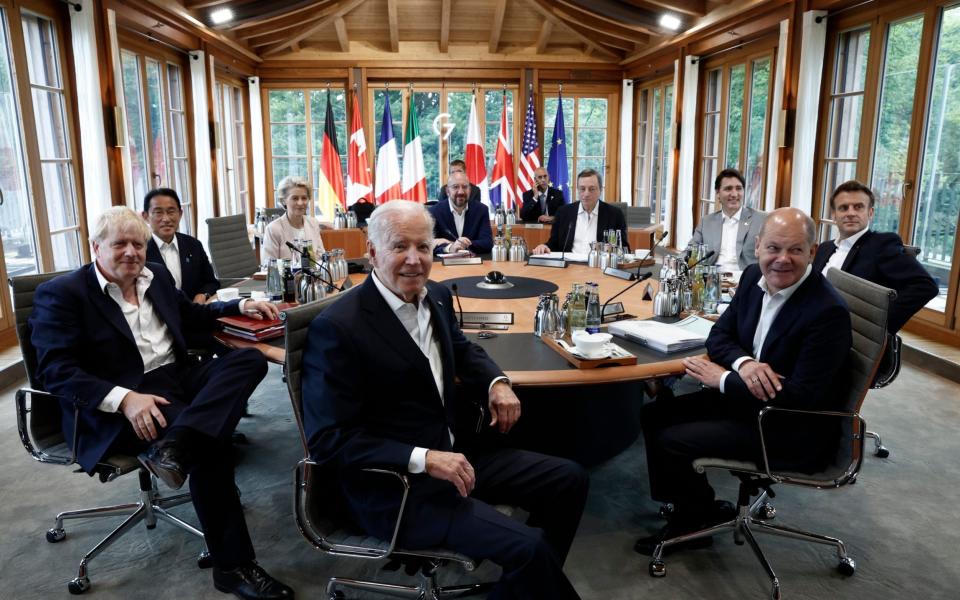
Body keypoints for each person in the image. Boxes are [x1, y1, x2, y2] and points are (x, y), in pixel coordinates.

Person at [301, 201, 588, 600]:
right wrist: (425, 458)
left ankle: (524, 587)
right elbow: (329, 440)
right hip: (398, 487)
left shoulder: (433, 295)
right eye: (400, 247)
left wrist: (496, 383)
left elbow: (461, 348)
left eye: (424, 247)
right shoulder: (339, 329)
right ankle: (532, 577)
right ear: (372, 253)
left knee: (569, 479)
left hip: (458, 455)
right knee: (531, 548)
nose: (415, 261)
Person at [29, 207, 293, 600]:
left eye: (138, 243)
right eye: (119, 244)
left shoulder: (155, 275)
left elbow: (192, 315)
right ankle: (233, 568)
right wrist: (125, 399)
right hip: (121, 397)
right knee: (212, 448)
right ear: (95, 247)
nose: (131, 252)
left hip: (177, 379)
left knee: (249, 359)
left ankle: (176, 445)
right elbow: (56, 370)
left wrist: (237, 306)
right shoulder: (64, 294)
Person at [635, 207, 852, 555]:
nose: (782, 259)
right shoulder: (753, 277)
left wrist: (723, 378)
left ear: (812, 252)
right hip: (750, 402)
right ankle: (695, 505)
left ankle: (693, 523)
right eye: (773, 248)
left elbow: (800, 397)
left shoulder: (827, 312)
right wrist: (745, 362)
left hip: (787, 425)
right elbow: (719, 336)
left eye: (795, 250)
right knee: (654, 414)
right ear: (759, 247)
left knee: (674, 439)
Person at [813, 180, 938, 333]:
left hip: (845, 336)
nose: (851, 213)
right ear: (834, 215)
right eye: (843, 208)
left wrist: (879, 325)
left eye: (858, 207)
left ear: (870, 213)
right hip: (813, 325)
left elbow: (925, 286)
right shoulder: (825, 248)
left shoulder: (881, 245)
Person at [142, 188, 219, 304]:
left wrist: (203, 294)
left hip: (195, 315)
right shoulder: (140, 251)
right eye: (158, 212)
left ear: (180, 214)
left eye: (171, 211)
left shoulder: (193, 245)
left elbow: (211, 282)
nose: (166, 219)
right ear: (146, 216)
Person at [687, 168, 766, 275]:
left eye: (738, 188)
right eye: (728, 189)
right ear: (718, 193)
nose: (734, 194)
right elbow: (691, 251)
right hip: (712, 279)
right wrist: (674, 263)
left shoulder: (762, 220)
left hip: (747, 279)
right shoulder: (706, 222)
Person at [532, 169, 629, 255]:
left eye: (591, 189)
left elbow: (624, 249)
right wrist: (544, 246)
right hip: (569, 268)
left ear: (600, 190)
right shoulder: (563, 213)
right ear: (577, 190)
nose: (586, 194)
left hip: (599, 268)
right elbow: (554, 243)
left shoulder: (615, 215)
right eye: (582, 189)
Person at [429, 170, 494, 255]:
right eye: (455, 187)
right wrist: (450, 248)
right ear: (447, 191)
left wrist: (458, 244)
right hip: (444, 266)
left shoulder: (481, 210)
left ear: (470, 190)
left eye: (464, 187)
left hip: (474, 265)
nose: (461, 192)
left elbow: (487, 243)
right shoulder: (433, 212)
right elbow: (428, 245)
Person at [263, 175, 326, 261]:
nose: (300, 203)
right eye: (295, 198)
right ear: (284, 200)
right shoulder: (273, 229)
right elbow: (269, 266)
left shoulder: (313, 223)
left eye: (304, 198)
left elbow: (321, 255)